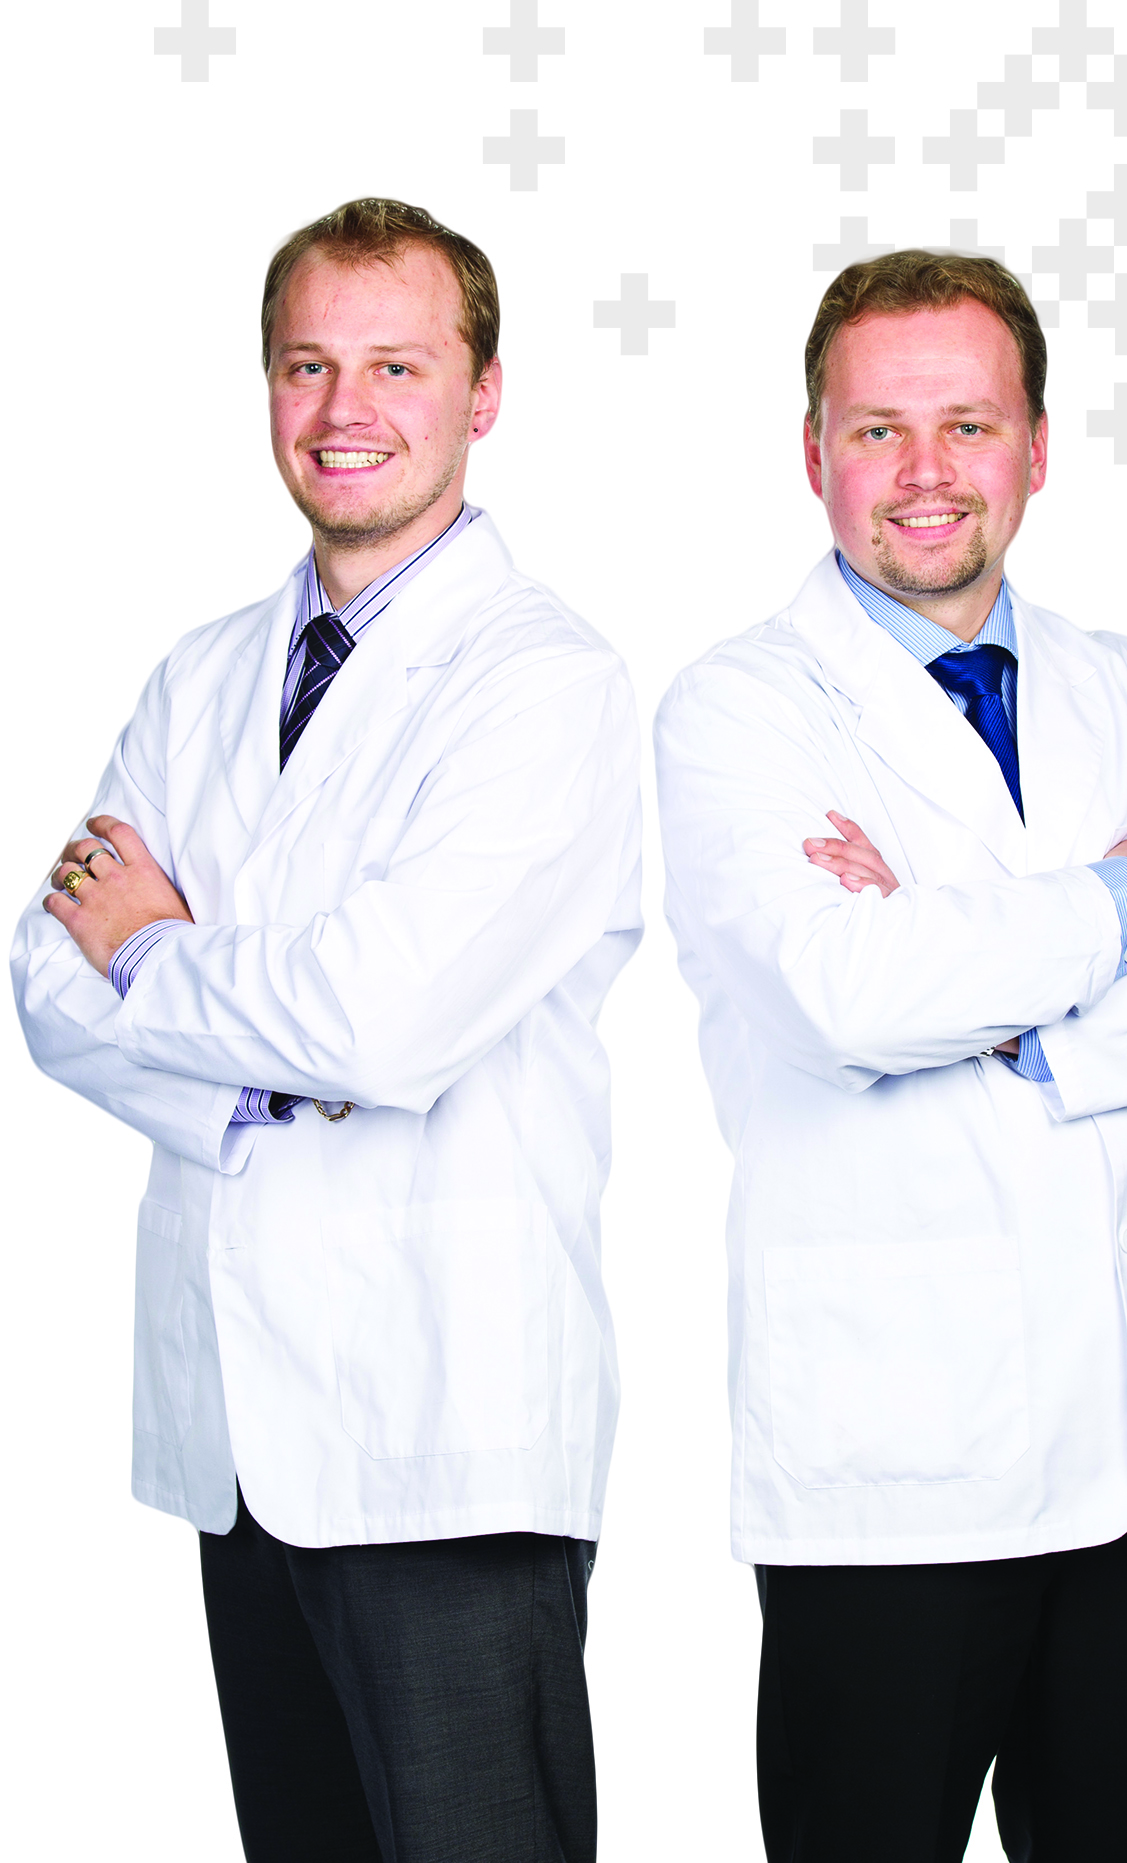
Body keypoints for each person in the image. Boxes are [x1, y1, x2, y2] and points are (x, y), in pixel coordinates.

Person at [654, 251, 1127, 1862]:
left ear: (1037, 445)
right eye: (878, 429)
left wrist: (1004, 1006)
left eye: (969, 423)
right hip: (897, 1473)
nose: (927, 470)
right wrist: (1126, 896)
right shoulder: (736, 709)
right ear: (813, 451)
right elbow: (846, 995)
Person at [12, 197, 641, 1863]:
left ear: (482, 393)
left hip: (447, 1435)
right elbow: (48, 984)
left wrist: (158, 949)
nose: (343, 407)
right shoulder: (202, 673)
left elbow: (383, 1017)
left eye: (395, 365)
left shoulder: (545, 681)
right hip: (242, 1428)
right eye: (307, 365)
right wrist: (248, 1089)